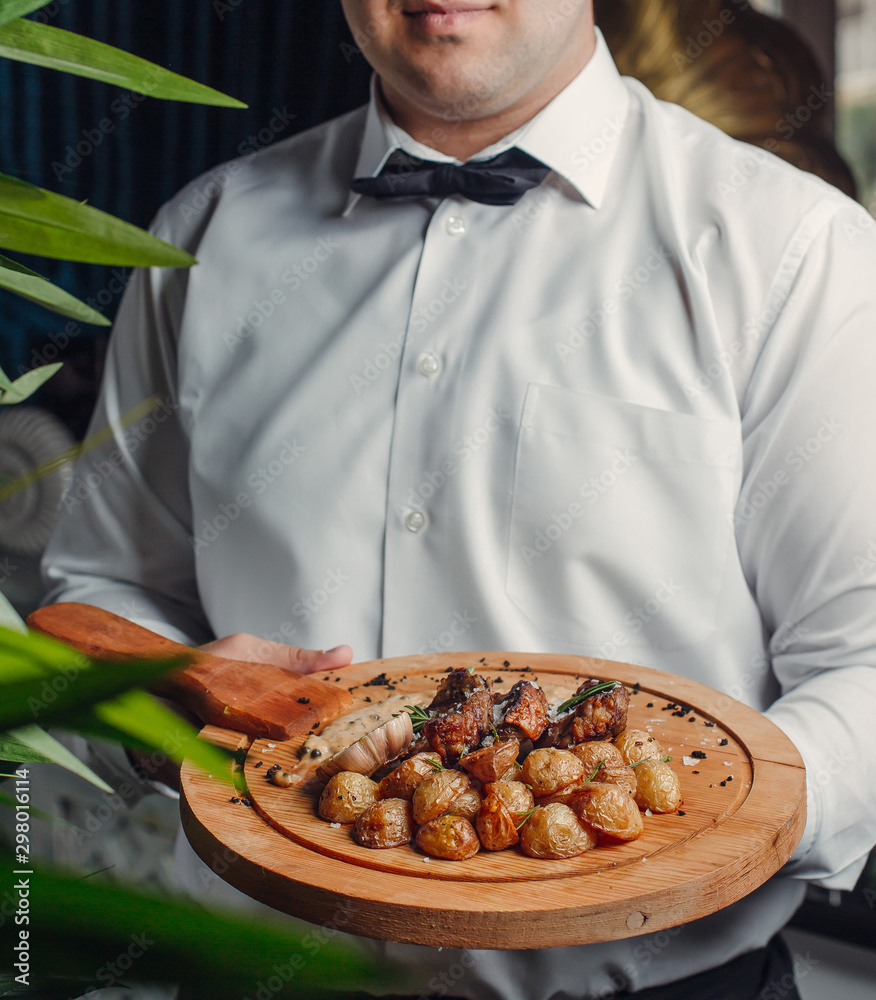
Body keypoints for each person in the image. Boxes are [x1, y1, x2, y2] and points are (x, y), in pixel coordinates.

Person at [42, 1, 876, 998]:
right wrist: (178, 691)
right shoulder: (200, 239)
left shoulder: (797, 251)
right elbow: (98, 595)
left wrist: (689, 840)